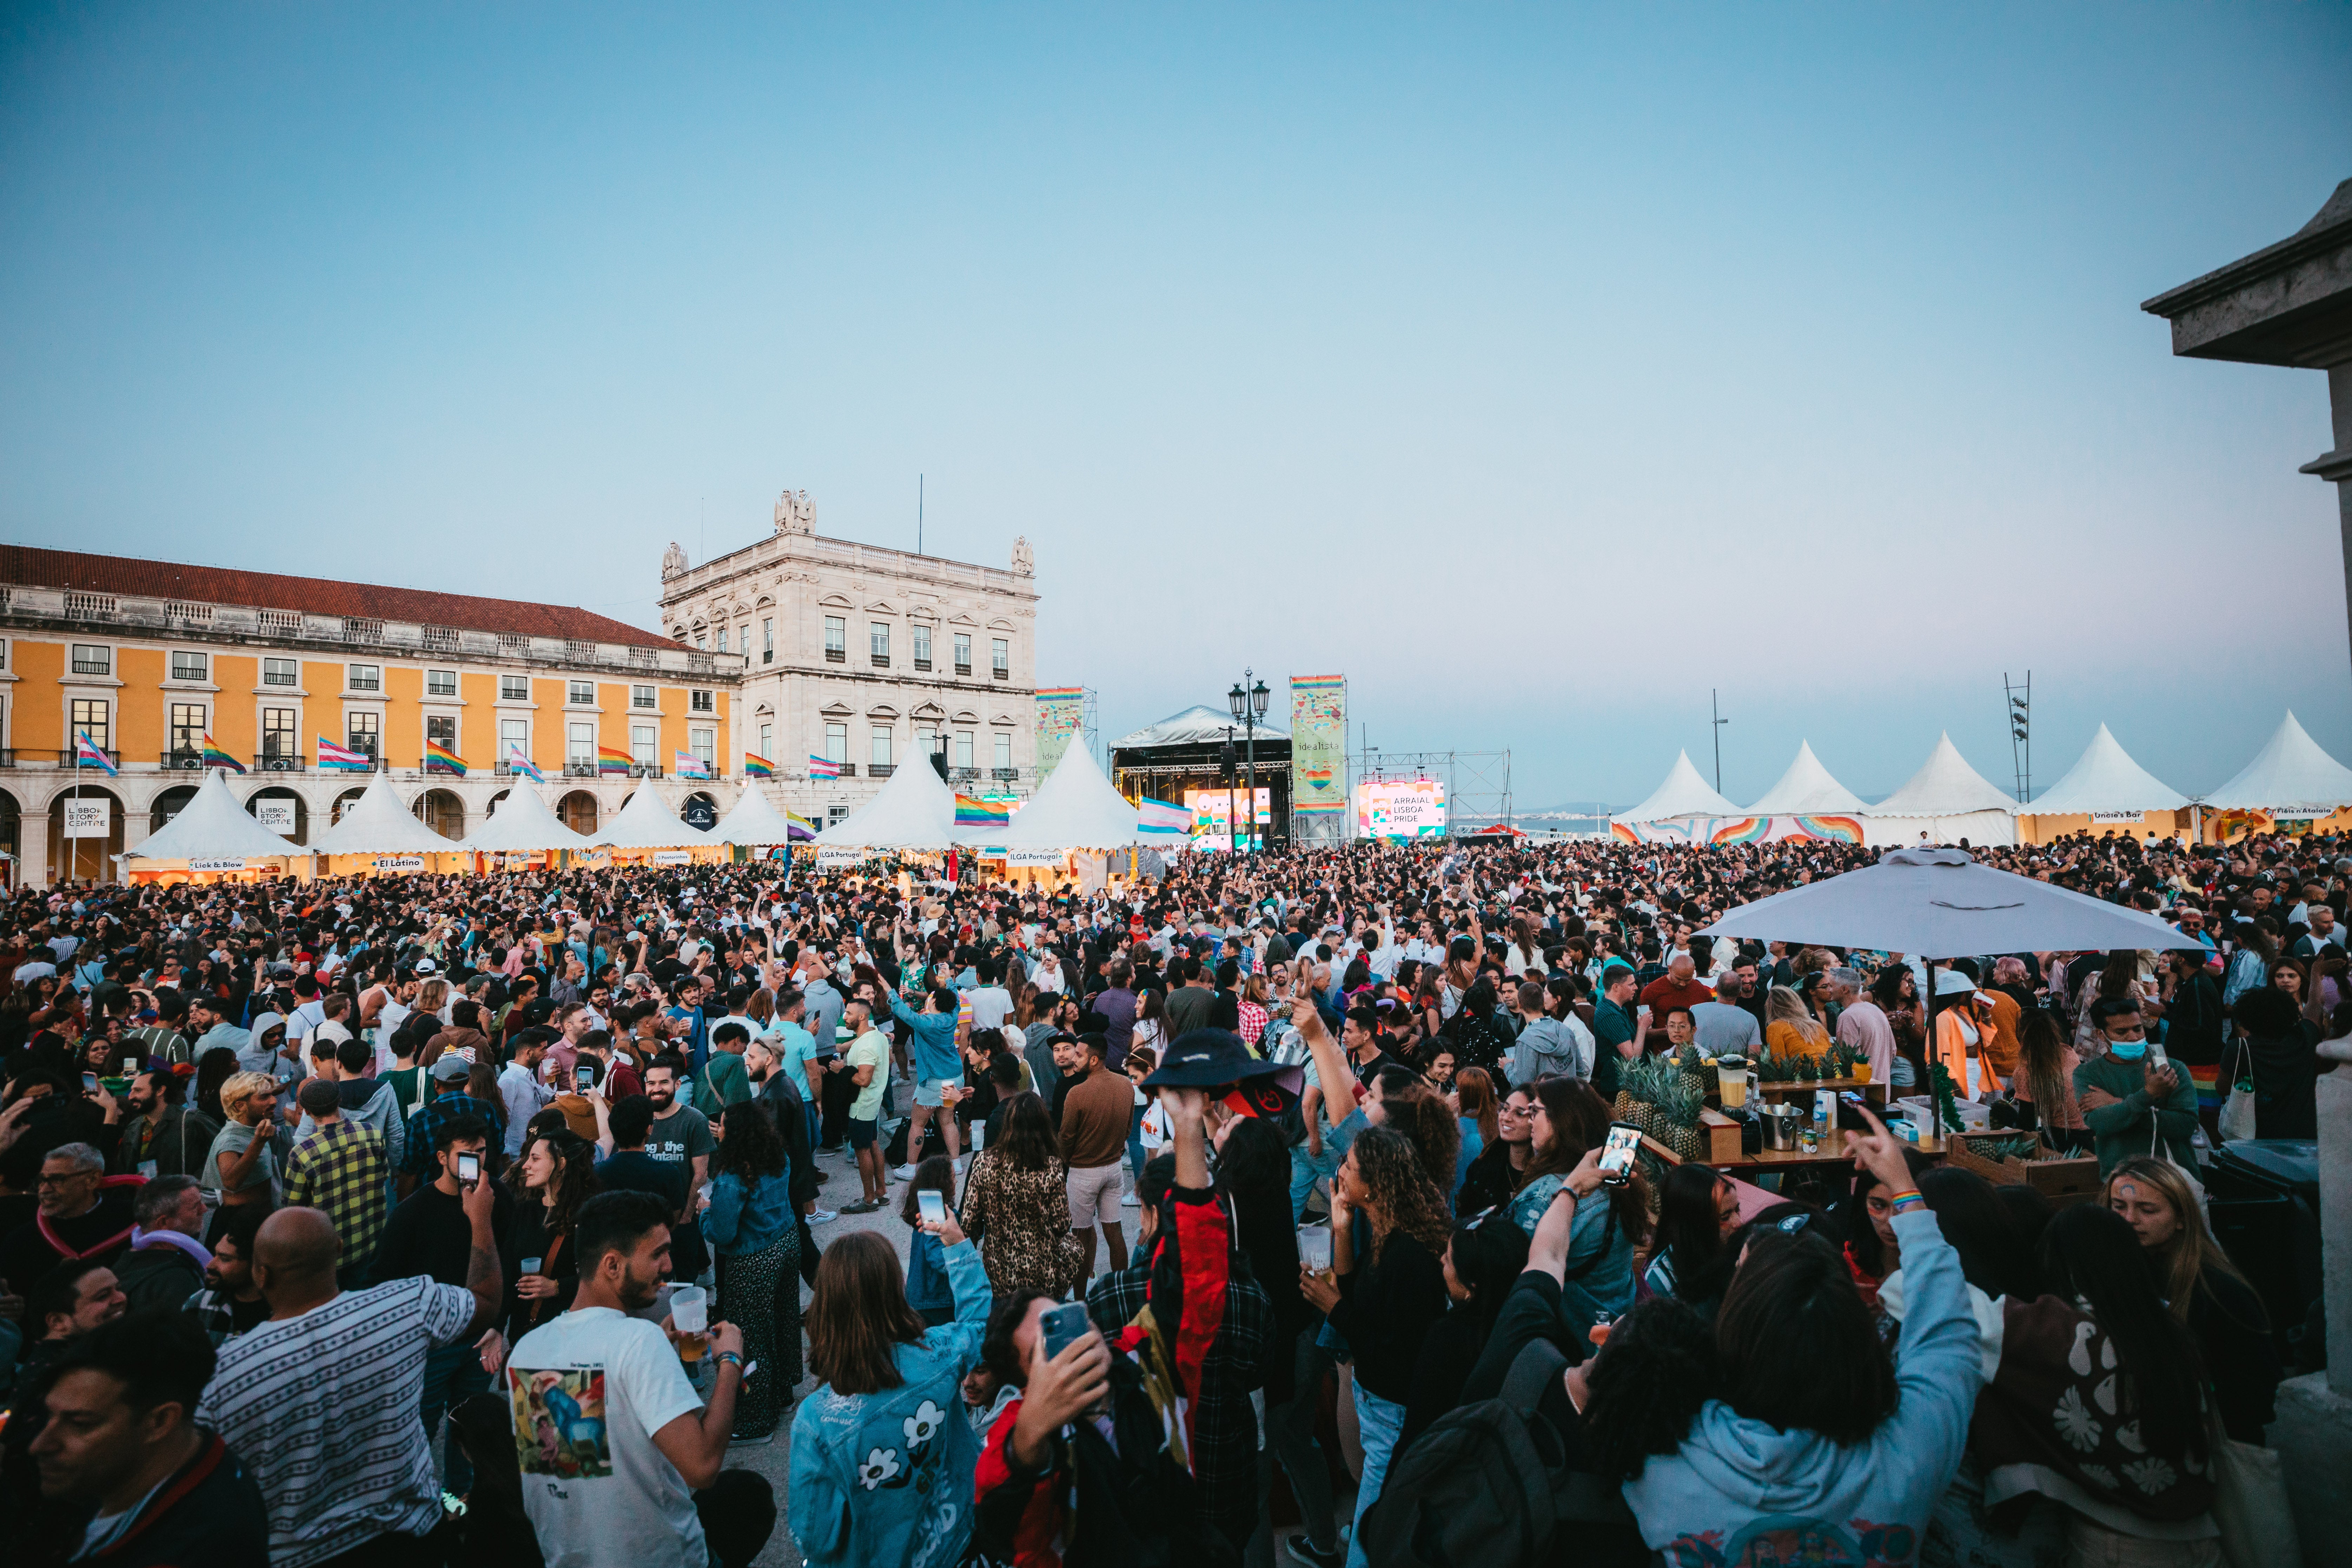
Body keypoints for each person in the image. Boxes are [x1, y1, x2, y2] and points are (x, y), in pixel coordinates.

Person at [1619, 1107, 1979, 1563]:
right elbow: (1947, 1325)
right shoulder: (1912, 1451)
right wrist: (1906, 1188)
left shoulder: (1662, 1458)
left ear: (1730, 1337)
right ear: (1858, 1339)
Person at [197, 1190, 500, 1567]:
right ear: (338, 1250)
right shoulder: (407, 1306)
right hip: (412, 1541)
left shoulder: (226, 1372)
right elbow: (485, 1300)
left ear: (261, 1273)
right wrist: (480, 1219)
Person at [505, 1189, 775, 1568]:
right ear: (612, 1265)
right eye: (657, 1254)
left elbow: (575, 1459)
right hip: (661, 1558)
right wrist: (730, 1360)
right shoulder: (636, 1342)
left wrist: (657, 1352)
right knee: (748, 1497)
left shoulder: (526, 1351)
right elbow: (702, 1466)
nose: (668, 1267)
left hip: (570, 1558)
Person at [1966, 1204, 2219, 1564]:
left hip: (2121, 1545)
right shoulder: (2167, 1325)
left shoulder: (2061, 1332)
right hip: (2203, 1537)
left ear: (2059, 1263)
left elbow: (1945, 1305)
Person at [788, 1217, 993, 1568]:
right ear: (896, 1291)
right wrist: (958, 1245)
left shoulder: (816, 1422)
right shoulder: (939, 1355)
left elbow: (816, 1538)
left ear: (826, 1307)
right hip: (956, 1542)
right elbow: (979, 1324)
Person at [1298, 1124, 1453, 1568]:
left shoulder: (1409, 1254)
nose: (1340, 1170)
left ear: (1376, 1185)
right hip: (1379, 1402)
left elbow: (1385, 1343)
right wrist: (1341, 1228)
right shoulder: (1384, 1229)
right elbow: (1354, 1292)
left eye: (1349, 1165)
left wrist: (1331, 1307)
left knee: (1371, 1532)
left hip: (1392, 1406)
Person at [23, 1311, 270, 1566]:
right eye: (49, 1415)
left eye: (81, 1424)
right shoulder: (201, 1457)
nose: (39, 1445)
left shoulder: (193, 1548)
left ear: (161, 1422)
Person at [370, 1112, 512, 1497]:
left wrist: (497, 1326)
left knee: (468, 1429)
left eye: (483, 1153)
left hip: (478, 1341)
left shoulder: (497, 1198)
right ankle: (417, 1504)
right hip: (430, 1348)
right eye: (467, 1155)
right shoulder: (412, 1212)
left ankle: (457, 1503)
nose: (478, 1162)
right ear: (441, 1158)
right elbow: (384, 1281)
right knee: (421, 1427)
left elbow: (511, 1263)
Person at [2106, 1156, 2281, 1442]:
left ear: (2181, 1219)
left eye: (2147, 1210)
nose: (2129, 1220)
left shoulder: (2220, 1292)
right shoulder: (2121, 1273)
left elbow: (2260, 1392)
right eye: (2118, 1206)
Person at [703, 1101, 801, 1440]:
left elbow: (723, 1231)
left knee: (751, 1337)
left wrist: (706, 1211)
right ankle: (784, 1393)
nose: (720, 1129)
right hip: (787, 1243)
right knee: (783, 1320)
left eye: (725, 1125)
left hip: (752, 1258)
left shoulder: (731, 1177)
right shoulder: (776, 1155)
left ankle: (755, 1419)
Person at [1399, 1207, 1530, 1450]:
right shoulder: (1531, 1325)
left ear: (1472, 1286)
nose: (1441, 1260)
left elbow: (1418, 1426)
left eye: (1449, 1259)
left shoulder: (1448, 1340)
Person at [481, 1126, 598, 1368]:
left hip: (575, 1340)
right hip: (528, 1338)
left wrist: (557, 1287)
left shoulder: (591, 1214)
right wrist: (497, 1326)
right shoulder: (525, 1211)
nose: (525, 1165)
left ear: (562, 1163)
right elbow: (507, 1271)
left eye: (535, 1158)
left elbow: (605, 1275)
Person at [957, 1091, 1086, 1299]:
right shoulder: (1052, 1166)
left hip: (998, 1272)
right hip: (1042, 1272)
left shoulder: (983, 1162)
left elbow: (969, 1220)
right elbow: (1062, 1224)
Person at [280, 1077, 387, 1289]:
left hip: (327, 1253)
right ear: (339, 1102)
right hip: (369, 1241)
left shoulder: (302, 1154)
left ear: (308, 1113)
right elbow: (384, 1175)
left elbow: (292, 1210)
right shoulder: (371, 1133)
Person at [2073, 998, 2199, 1173]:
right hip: (2123, 1180)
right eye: (2121, 1032)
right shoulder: (2088, 1074)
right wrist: (2148, 1095)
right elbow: (2101, 1123)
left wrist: (2118, 1102)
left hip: (2175, 1178)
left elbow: (2185, 1125)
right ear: (2102, 1035)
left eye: (2138, 1029)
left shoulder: (2173, 1068)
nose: (2133, 1037)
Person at [1, 1142, 139, 1289]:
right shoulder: (20, 1242)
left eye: (57, 1179)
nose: (44, 1190)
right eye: (41, 1181)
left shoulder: (135, 1220)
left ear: (92, 1180)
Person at [1051, 1030, 1130, 1276]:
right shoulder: (1126, 1084)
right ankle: (1120, 1287)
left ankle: (1081, 1300)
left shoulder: (1077, 1093)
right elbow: (1127, 1128)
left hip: (1083, 1172)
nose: (1073, 1058)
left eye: (1078, 1054)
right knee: (1114, 1231)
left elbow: (1065, 1137)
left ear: (1094, 1060)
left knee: (1080, 1236)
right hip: (1114, 1168)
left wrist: (1065, 1160)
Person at [640, 1055, 714, 1281]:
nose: (657, 1089)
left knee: (683, 1278)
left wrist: (687, 1215)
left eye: (664, 1083)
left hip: (682, 1214)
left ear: (677, 1084)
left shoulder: (694, 1120)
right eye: (651, 1084)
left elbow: (701, 1174)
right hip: (649, 1218)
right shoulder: (639, 1119)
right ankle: (705, 1271)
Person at [889, 985, 965, 1177]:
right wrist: (949, 982)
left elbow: (904, 1013)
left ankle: (911, 1167)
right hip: (953, 1079)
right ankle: (956, 1163)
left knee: (918, 1123)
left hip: (933, 1082)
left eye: (930, 998)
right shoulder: (952, 1016)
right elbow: (955, 999)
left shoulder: (928, 1023)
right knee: (948, 1121)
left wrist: (888, 990)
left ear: (935, 1003)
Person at [1641, 1163, 1740, 1302]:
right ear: (1696, 1224)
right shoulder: (1660, 1282)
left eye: (1737, 1210)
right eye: (1725, 1217)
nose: (1739, 1223)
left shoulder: (1739, 1252)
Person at [113, 1174, 210, 1316]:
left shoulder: (126, 1261)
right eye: (196, 1207)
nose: (205, 1209)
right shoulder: (175, 1280)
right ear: (163, 1223)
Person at [182, 1203, 270, 1348]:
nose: (210, 1265)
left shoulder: (285, 1313)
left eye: (225, 1259)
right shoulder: (198, 1304)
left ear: (256, 1265)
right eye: (216, 1255)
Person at [110, 1065, 218, 1182]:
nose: (131, 1097)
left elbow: (222, 1153)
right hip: (147, 1195)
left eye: (138, 1091)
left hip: (182, 1195)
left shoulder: (191, 1120)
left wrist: (195, 1181)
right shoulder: (134, 1127)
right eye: (132, 1091)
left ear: (160, 1091)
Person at [839, 996, 891, 1212]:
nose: (845, 1017)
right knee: (873, 1144)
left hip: (861, 1105)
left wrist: (841, 1070)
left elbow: (864, 1079)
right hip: (872, 1103)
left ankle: (868, 1200)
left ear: (863, 1016)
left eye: (849, 1014)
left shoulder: (868, 1044)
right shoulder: (876, 1036)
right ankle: (881, 1193)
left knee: (862, 1150)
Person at [1455, 1080, 1536, 1217]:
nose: (1506, 1118)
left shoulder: (1549, 1174)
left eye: (1519, 1113)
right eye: (1505, 1109)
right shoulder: (1483, 1166)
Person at [899, 1153, 960, 1326]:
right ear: (944, 1182)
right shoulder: (937, 1215)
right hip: (936, 1300)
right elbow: (938, 1259)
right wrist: (964, 1267)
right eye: (953, 1177)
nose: (955, 1182)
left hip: (920, 1295)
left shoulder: (925, 1210)